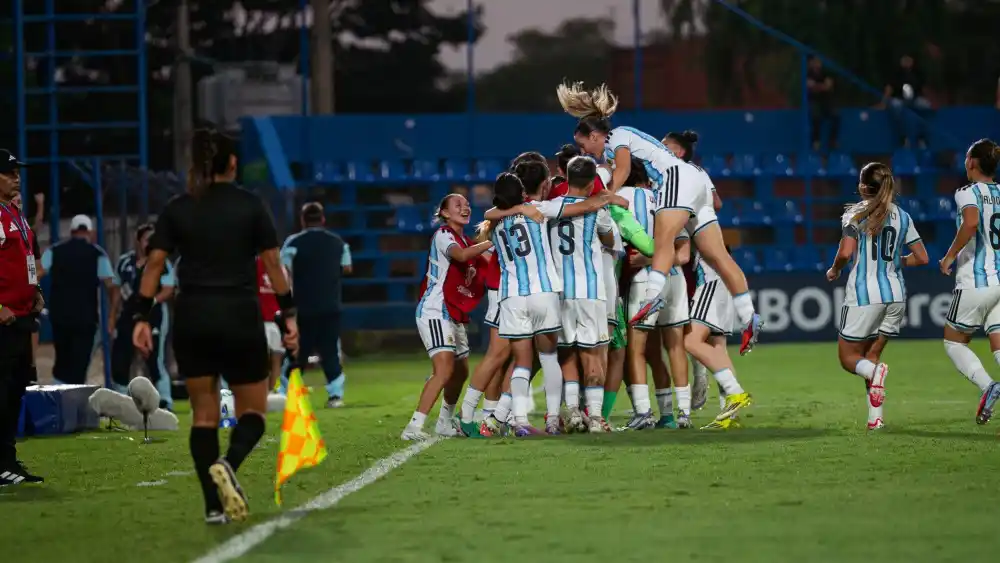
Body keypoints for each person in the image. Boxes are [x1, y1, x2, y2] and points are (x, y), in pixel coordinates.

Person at [131, 126, 298, 524]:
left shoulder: (178, 207)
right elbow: (274, 265)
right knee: (253, 413)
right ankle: (229, 463)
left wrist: (141, 316)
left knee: (203, 416)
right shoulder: (251, 205)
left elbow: (155, 264)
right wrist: (288, 315)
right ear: (233, 163)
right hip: (239, 314)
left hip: (193, 316)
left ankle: (212, 507)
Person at [555, 81, 761, 359]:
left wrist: (603, 197)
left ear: (594, 135)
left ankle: (652, 297)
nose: (585, 152)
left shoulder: (616, 136)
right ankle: (749, 316)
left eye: (583, 145)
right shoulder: (618, 141)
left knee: (662, 240)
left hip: (674, 179)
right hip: (695, 181)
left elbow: (624, 169)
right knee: (718, 256)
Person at [480, 172, 625, 436]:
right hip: (548, 293)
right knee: (551, 358)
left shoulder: (495, 224)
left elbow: (490, 213)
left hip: (512, 296)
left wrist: (515, 208)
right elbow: (585, 208)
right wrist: (607, 199)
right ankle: (557, 419)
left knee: (522, 362)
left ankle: (512, 419)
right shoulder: (540, 210)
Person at [827, 162, 927, 430]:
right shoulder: (903, 216)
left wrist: (834, 269)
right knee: (870, 356)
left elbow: (846, 253)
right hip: (895, 296)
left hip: (864, 296)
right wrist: (896, 261)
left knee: (849, 358)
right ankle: (876, 419)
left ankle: (876, 374)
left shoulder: (855, 216)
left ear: (862, 187)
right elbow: (922, 257)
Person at [402, 194, 492, 441]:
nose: (465, 208)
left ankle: (444, 421)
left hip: (453, 312)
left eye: (467, 205)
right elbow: (461, 256)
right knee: (443, 370)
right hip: (435, 309)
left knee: (461, 372)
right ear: (444, 213)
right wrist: (488, 242)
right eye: (457, 205)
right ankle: (414, 426)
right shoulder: (444, 235)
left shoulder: (464, 239)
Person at [618, 160, 692, 430]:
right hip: (674, 280)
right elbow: (684, 254)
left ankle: (643, 413)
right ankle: (681, 414)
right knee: (674, 347)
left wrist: (646, 261)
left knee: (636, 351)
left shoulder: (619, 199)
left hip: (644, 281)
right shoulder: (666, 199)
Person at [550, 156, 616, 433]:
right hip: (590, 291)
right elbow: (610, 240)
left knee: (566, 351)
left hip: (560, 292)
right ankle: (597, 418)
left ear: (566, 176)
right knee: (594, 352)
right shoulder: (598, 210)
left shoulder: (551, 207)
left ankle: (574, 413)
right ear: (591, 183)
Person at [939, 139, 1000, 424]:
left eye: (966, 158)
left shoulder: (967, 192)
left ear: (973, 163)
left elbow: (972, 222)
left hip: (977, 281)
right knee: (999, 344)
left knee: (954, 342)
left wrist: (950, 256)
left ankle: (989, 386)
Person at [661, 130, 721, 412]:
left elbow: (716, 203)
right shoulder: (662, 173)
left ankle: (702, 373)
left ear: (680, 152)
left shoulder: (692, 172)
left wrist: (686, 211)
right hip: (674, 247)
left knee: (690, 320)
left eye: (665, 147)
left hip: (691, 251)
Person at [0, 149, 45, 486]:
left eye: (17, 171)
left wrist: (35, 290)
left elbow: (27, 257)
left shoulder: (13, 213)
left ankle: (8, 460)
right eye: (9, 172)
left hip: (21, 317)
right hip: (4, 319)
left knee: (14, 391)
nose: (16, 176)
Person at [279, 202, 351, 407]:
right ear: (323, 219)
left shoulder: (293, 242)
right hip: (330, 305)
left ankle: (286, 392)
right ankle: (336, 395)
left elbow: (283, 270)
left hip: (303, 306)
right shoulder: (338, 242)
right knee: (330, 351)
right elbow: (347, 267)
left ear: (302, 220)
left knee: (297, 352)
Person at [109, 223, 177, 408]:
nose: (151, 242)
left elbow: (169, 289)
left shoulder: (162, 262)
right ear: (138, 241)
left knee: (154, 357)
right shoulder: (125, 262)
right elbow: (116, 291)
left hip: (154, 314)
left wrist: (151, 301)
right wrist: (112, 316)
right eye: (147, 238)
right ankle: (121, 402)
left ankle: (165, 401)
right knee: (121, 357)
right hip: (128, 314)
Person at [40, 215, 115, 385]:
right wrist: (112, 315)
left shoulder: (54, 251)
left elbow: (36, 273)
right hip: (86, 318)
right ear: (90, 232)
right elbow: (111, 285)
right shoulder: (98, 254)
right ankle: (75, 399)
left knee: (62, 361)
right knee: (80, 363)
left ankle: (60, 395)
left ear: (72, 232)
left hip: (60, 317)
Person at [879, 54, 933, 149]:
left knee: (925, 106)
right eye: (904, 59)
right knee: (896, 106)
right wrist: (883, 103)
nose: (907, 62)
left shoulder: (917, 73)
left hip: (915, 99)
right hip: (899, 99)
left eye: (909, 60)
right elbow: (889, 89)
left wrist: (929, 100)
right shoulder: (896, 73)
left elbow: (924, 89)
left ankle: (922, 137)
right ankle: (902, 137)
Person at [256, 256, 290, 391]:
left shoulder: (252, 265)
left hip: (260, 320)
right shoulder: (279, 266)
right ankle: (273, 390)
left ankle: (263, 392)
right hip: (275, 319)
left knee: (262, 361)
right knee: (276, 360)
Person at [806, 55, 839, 151]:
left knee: (836, 116)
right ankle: (816, 141)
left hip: (825, 101)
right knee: (816, 116)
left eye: (818, 62)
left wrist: (817, 86)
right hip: (814, 101)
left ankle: (832, 140)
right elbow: (810, 87)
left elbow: (828, 86)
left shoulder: (825, 73)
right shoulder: (808, 74)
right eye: (815, 62)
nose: (817, 64)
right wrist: (822, 86)